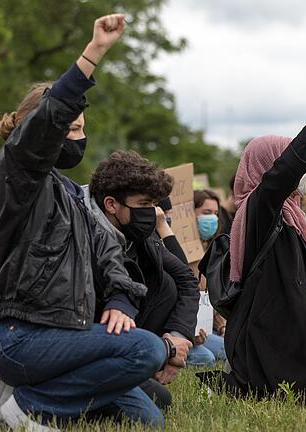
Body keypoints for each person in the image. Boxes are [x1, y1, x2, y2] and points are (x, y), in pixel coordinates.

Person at [0, 15, 172, 430]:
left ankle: (32, 394)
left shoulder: (70, 193)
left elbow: (109, 253)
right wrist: (94, 52)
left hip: (69, 333)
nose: (76, 136)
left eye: (81, 128)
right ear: (39, 133)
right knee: (145, 352)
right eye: (69, 127)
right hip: (21, 335)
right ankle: (22, 407)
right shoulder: (15, 174)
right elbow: (46, 123)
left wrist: (120, 301)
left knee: (153, 411)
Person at [199, 89, 306, 398]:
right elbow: (283, 173)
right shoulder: (259, 210)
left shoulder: (294, 220)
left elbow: (305, 282)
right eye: (302, 164)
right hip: (268, 336)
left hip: (294, 327)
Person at [86, 150, 200, 410]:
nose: (153, 213)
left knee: (167, 284)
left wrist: (178, 336)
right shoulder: (87, 238)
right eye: (144, 204)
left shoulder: (140, 234)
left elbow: (186, 279)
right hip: (91, 345)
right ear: (111, 204)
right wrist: (164, 350)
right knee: (156, 406)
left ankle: (138, 370)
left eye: (154, 204)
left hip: (130, 339)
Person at [187, 189, 227, 366]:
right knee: (208, 357)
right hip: (187, 330)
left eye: (216, 214)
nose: (212, 219)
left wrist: (223, 326)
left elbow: (211, 297)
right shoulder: (181, 252)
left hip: (207, 329)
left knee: (233, 346)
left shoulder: (211, 250)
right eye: (206, 213)